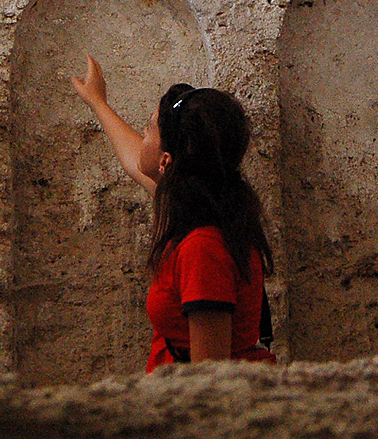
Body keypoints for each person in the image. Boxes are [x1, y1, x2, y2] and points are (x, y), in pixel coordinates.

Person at [72, 55, 277, 371]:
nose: (143, 136)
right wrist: (97, 102)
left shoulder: (203, 248)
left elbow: (209, 379)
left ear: (166, 161)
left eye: (150, 128)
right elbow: (133, 159)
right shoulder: (204, 204)